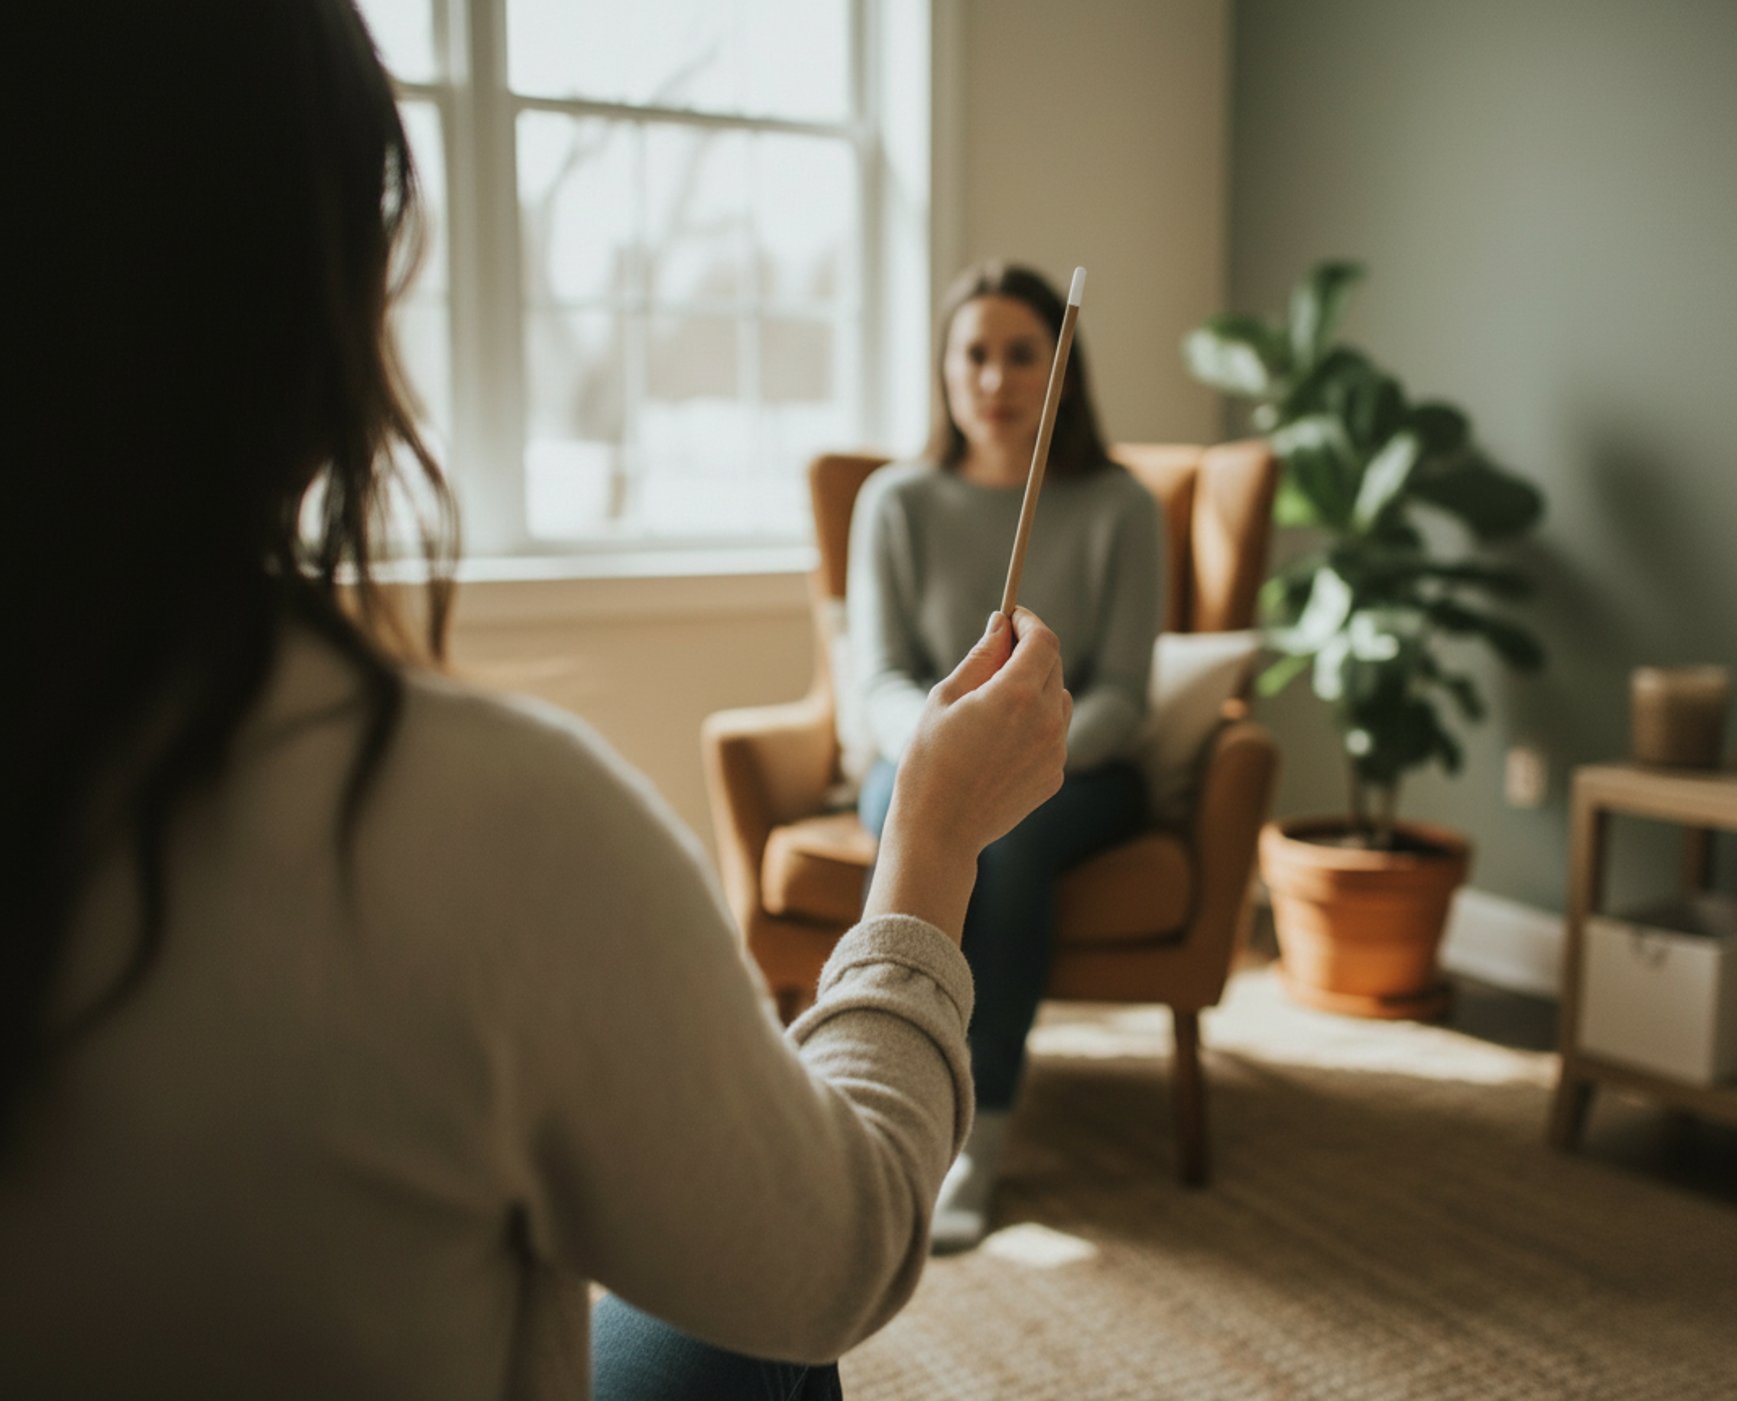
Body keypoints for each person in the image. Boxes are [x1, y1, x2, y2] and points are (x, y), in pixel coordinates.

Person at [2, 5, 1072, 1398]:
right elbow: (837, 1254)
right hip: (903, 802)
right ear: (318, 303)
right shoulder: (489, 817)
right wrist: (929, 843)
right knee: (766, 1329)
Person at [845, 263, 1166, 1251]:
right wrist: (945, 750)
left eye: (1022, 354)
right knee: (929, 816)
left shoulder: (1122, 505)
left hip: (1080, 771)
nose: (994, 378)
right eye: (973, 354)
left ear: (1063, 370)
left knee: (1010, 838)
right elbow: (879, 677)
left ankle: (979, 1133)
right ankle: (870, 1099)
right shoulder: (895, 502)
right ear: (943, 368)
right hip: (917, 754)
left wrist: (1028, 747)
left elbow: (1125, 693)